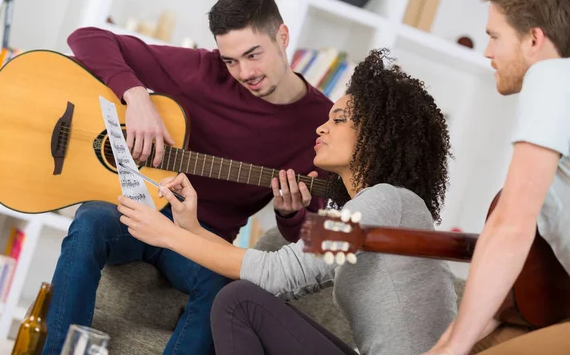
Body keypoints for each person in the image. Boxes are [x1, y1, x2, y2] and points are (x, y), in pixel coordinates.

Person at [42, 0, 333, 355]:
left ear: (283, 36)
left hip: (202, 237)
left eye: (253, 55)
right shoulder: (204, 69)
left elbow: (306, 246)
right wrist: (136, 96)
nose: (244, 72)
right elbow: (87, 38)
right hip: (142, 205)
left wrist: (290, 213)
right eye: (231, 60)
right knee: (89, 222)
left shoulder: (323, 124)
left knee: (223, 288)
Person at [115, 48, 460, 355]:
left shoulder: (389, 202)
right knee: (243, 296)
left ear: (379, 137)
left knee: (240, 303)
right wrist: (188, 225)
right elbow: (280, 271)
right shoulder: (376, 208)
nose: (321, 129)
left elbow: (275, 275)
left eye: (338, 120)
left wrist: (165, 235)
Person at [423, 0, 570, 355]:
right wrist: (453, 339)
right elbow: (517, 262)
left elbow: (510, 227)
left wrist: (454, 346)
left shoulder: (554, 77)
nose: (488, 51)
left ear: (534, 39)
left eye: (495, 36)